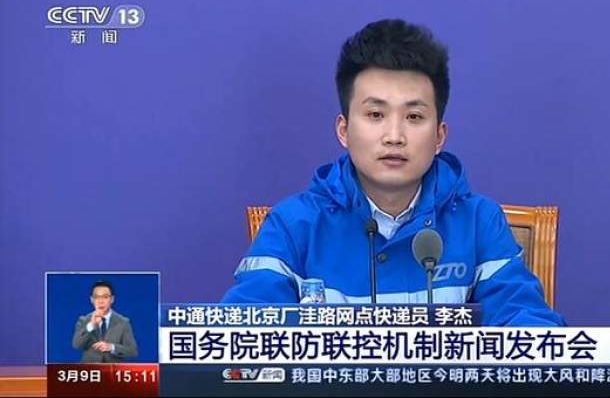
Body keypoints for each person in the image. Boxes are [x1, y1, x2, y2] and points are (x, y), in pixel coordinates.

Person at [222, 19, 565, 326]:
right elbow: (241, 333)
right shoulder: (294, 225)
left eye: (414, 117)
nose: (394, 136)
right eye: (375, 115)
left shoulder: (478, 222)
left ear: (439, 137)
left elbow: (527, 325)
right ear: (343, 130)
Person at [72, 280, 138, 362]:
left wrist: (111, 347)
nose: (101, 301)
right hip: (90, 369)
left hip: (113, 368)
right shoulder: (83, 320)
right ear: (91, 300)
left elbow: (132, 351)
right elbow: (76, 345)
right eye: (97, 297)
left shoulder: (123, 322)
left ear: (112, 299)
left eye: (105, 297)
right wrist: (91, 325)